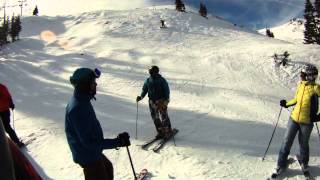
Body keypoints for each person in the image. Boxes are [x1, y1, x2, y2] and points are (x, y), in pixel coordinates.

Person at [65, 68, 131, 180]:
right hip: (88, 156)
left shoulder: (83, 100)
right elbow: (89, 143)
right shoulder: (78, 108)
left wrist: (117, 141)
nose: (95, 85)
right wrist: (118, 142)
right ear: (84, 85)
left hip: (91, 152)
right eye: (93, 83)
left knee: (108, 167)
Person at [276, 64, 320, 173]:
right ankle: (281, 164)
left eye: (303, 74)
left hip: (307, 121)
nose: (300, 76)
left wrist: (319, 115)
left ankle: (304, 163)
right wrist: (286, 103)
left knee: (303, 143)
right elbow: (296, 99)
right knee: (286, 141)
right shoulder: (301, 84)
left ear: (310, 76)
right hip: (294, 118)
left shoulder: (316, 88)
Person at [136, 66, 173, 139]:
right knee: (155, 117)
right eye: (150, 72)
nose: (150, 73)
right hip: (152, 101)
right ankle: (161, 131)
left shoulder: (162, 80)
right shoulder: (148, 80)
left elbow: (166, 90)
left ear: (156, 72)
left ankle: (168, 131)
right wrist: (141, 97)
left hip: (161, 100)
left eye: (152, 72)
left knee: (164, 116)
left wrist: (166, 100)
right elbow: (145, 89)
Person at [0, 83, 24, 147]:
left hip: (4, 111)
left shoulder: (2, 87)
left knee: (7, 127)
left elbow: (8, 96)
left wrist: (11, 103)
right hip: (4, 110)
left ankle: (17, 142)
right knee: (6, 127)